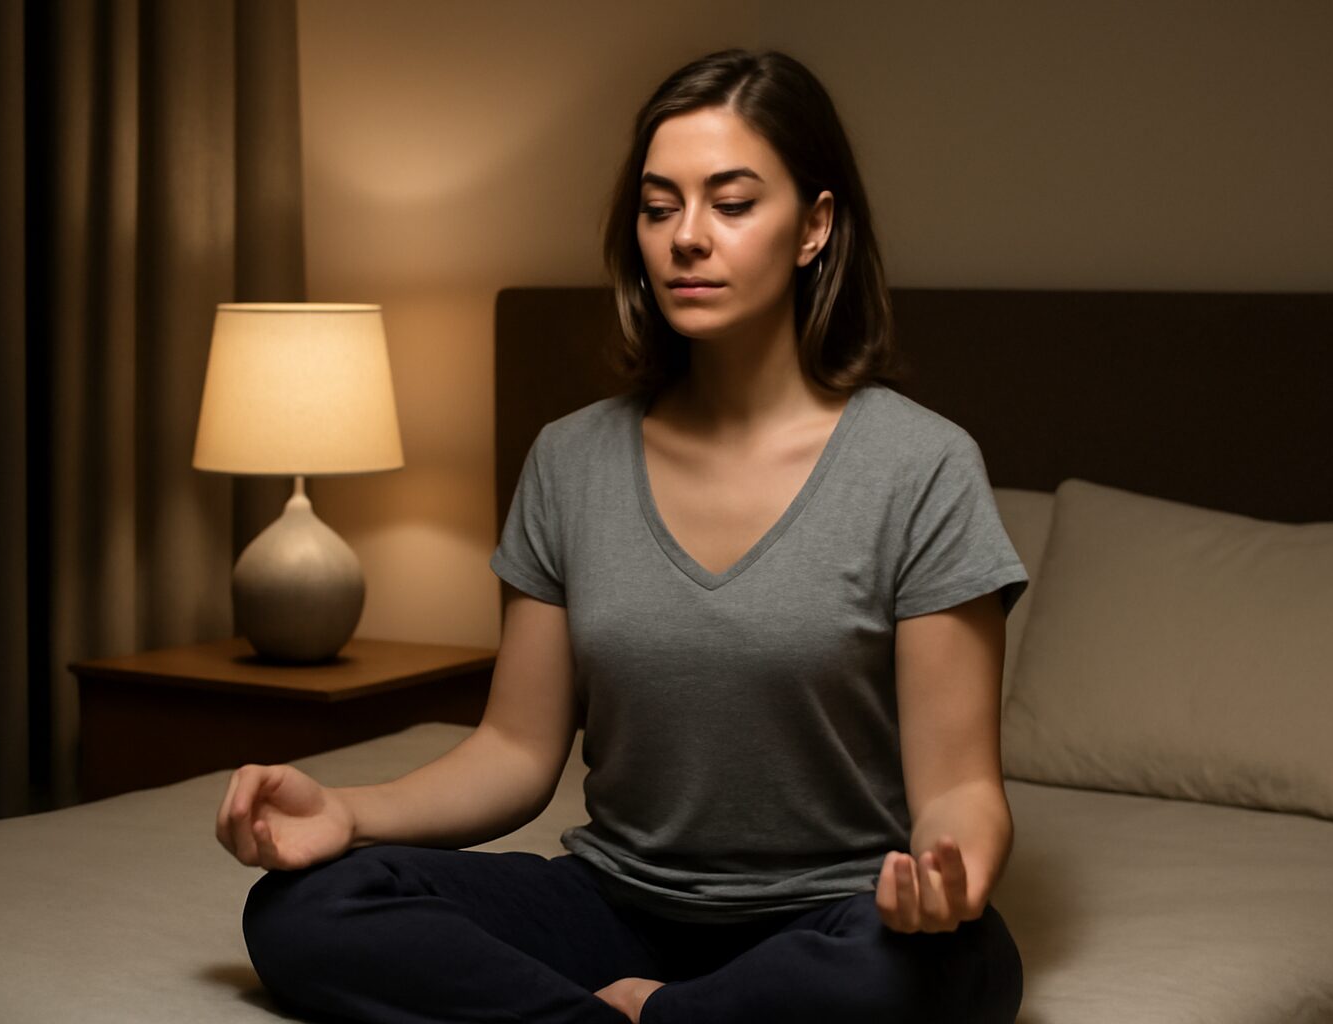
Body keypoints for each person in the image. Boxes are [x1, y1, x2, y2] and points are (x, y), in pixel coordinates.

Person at [219, 48, 1029, 1024]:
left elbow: (960, 786)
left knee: (961, 962)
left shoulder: (922, 466)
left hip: (833, 915)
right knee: (305, 906)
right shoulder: (570, 461)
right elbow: (514, 750)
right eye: (658, 207)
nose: (687, 237)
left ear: (815, 226)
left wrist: (948, 873)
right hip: (615, 907)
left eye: (732, 203)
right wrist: (348, 811)